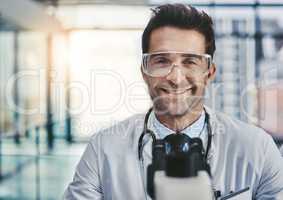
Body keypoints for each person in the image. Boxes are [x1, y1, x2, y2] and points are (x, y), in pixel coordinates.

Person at [64, 4, 283, 200]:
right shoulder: (103, 150)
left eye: (190, 61)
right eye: (161, 60)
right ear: (144, 71)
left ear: (210, 72)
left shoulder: (258, 149)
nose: (176, 78)